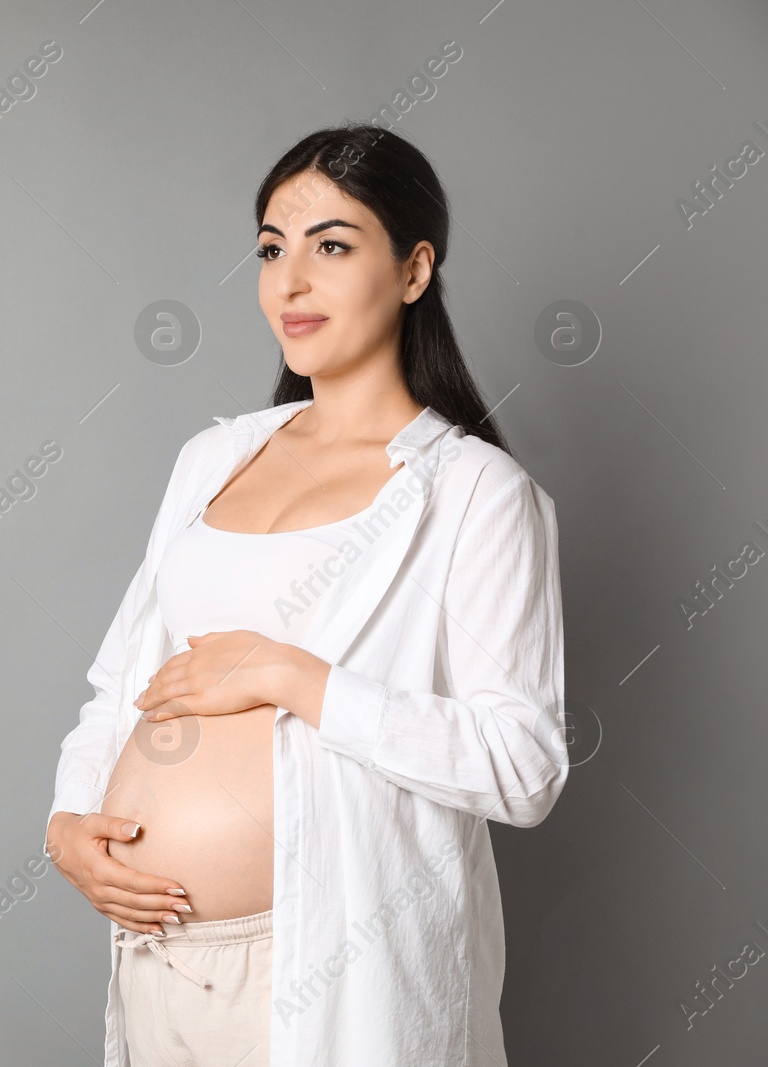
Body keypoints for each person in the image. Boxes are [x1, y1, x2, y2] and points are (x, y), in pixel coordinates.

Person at [44, 123, 568, 1067]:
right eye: (271, 250)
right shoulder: (213, 458)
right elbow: (117, 684)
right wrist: (69, 819)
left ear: (413, 270)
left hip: (330, 972)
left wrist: (291, 674)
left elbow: (522, 766)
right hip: (158, 960)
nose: (290, 282)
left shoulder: (475, 493)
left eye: (331, 245)